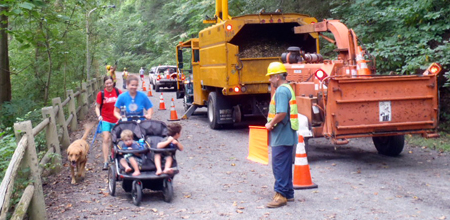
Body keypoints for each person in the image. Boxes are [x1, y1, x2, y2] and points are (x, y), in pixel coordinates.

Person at [264, 62, 299, 208]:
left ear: (278, 77)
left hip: (282, 135)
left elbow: (282, 113)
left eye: (271, 77)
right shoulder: (287, 88)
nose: (270, 80)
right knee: (285, 164)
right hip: (287, 134)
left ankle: (280, 195)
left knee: (279, 165)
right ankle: (288, 193)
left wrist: (270, 124)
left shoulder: (281, 91)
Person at [95, 76, 122, 170]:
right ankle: (105, 161)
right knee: (106, 138)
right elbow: (97, 107)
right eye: (107, 83)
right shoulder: (101, 94)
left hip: (117, 119)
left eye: (110, 83)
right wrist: (99, 116)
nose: (109, 85)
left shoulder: (118, 92)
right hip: (105, 119)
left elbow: (124, 102)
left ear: (113, 82)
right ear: (104, 84)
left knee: (115, 139)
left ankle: (112, 155)